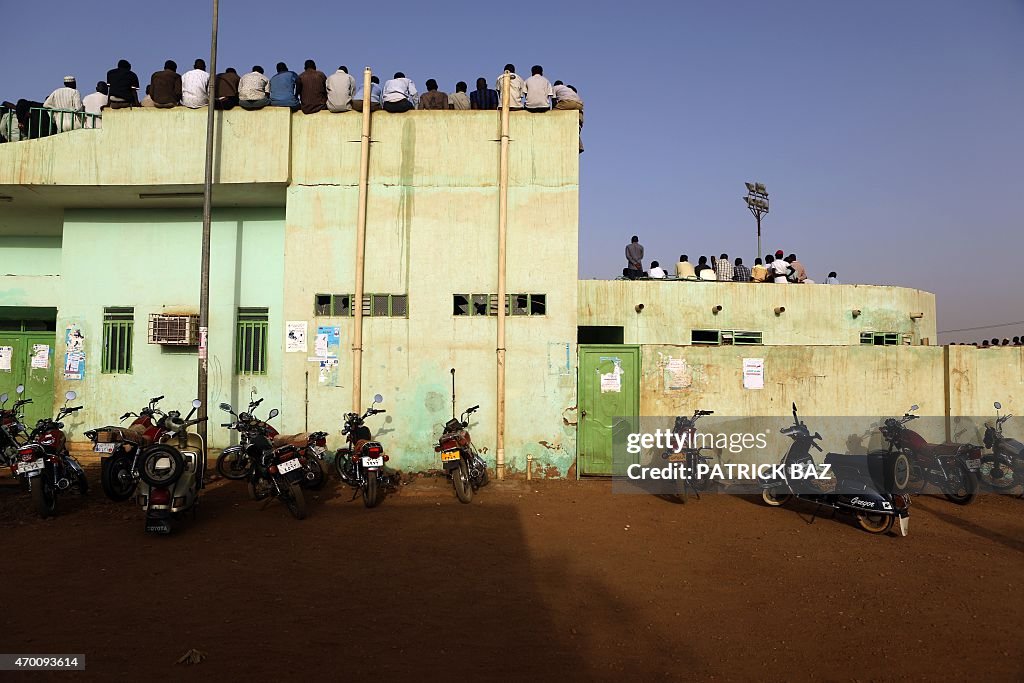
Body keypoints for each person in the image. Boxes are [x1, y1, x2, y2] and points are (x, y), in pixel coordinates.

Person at [553, 80, 584, 151]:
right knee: (576, 128)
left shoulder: (554, 88)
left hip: (568, 103)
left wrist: (554, 109)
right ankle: (580, 146)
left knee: (553, 115)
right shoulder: (568, 89)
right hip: (580, 106)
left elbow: (553, 101)